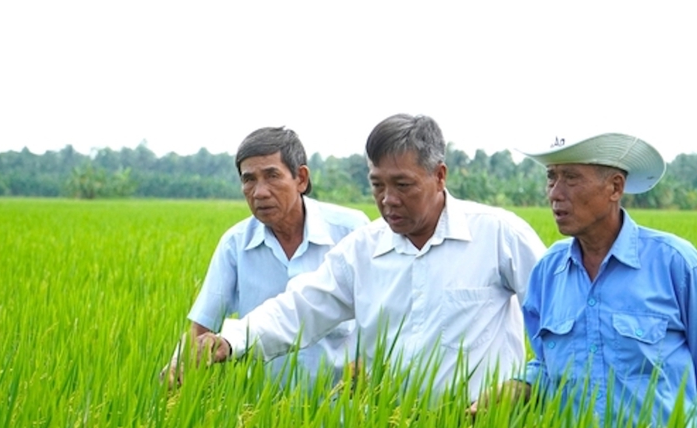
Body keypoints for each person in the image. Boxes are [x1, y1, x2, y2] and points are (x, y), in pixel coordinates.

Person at [195, 114, 547, 401]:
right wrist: (232, 340)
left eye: (403, 185)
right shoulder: (362, 250)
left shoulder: (499, 235)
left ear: (439, 176)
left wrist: (527, 383)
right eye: (377, 185)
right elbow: (300, 307)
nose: (388, 199)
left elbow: (559, 320)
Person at [477, 132, 697, 428]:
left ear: (614, 187)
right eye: (551, 177)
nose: (555, 194)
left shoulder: (676, 264)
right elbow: (549, 366)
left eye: (571, 178)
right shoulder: (549, 271)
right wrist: (516, 388)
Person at [161, 126, 369, 387]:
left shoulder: (351, 231)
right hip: (261, 411)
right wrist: (178, 366)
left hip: (340, 403)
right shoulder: (235, 245)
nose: (259, 192)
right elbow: (203, 326)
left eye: (272, 176)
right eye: (249, 180)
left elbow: (380, 311)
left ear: (301, 178)